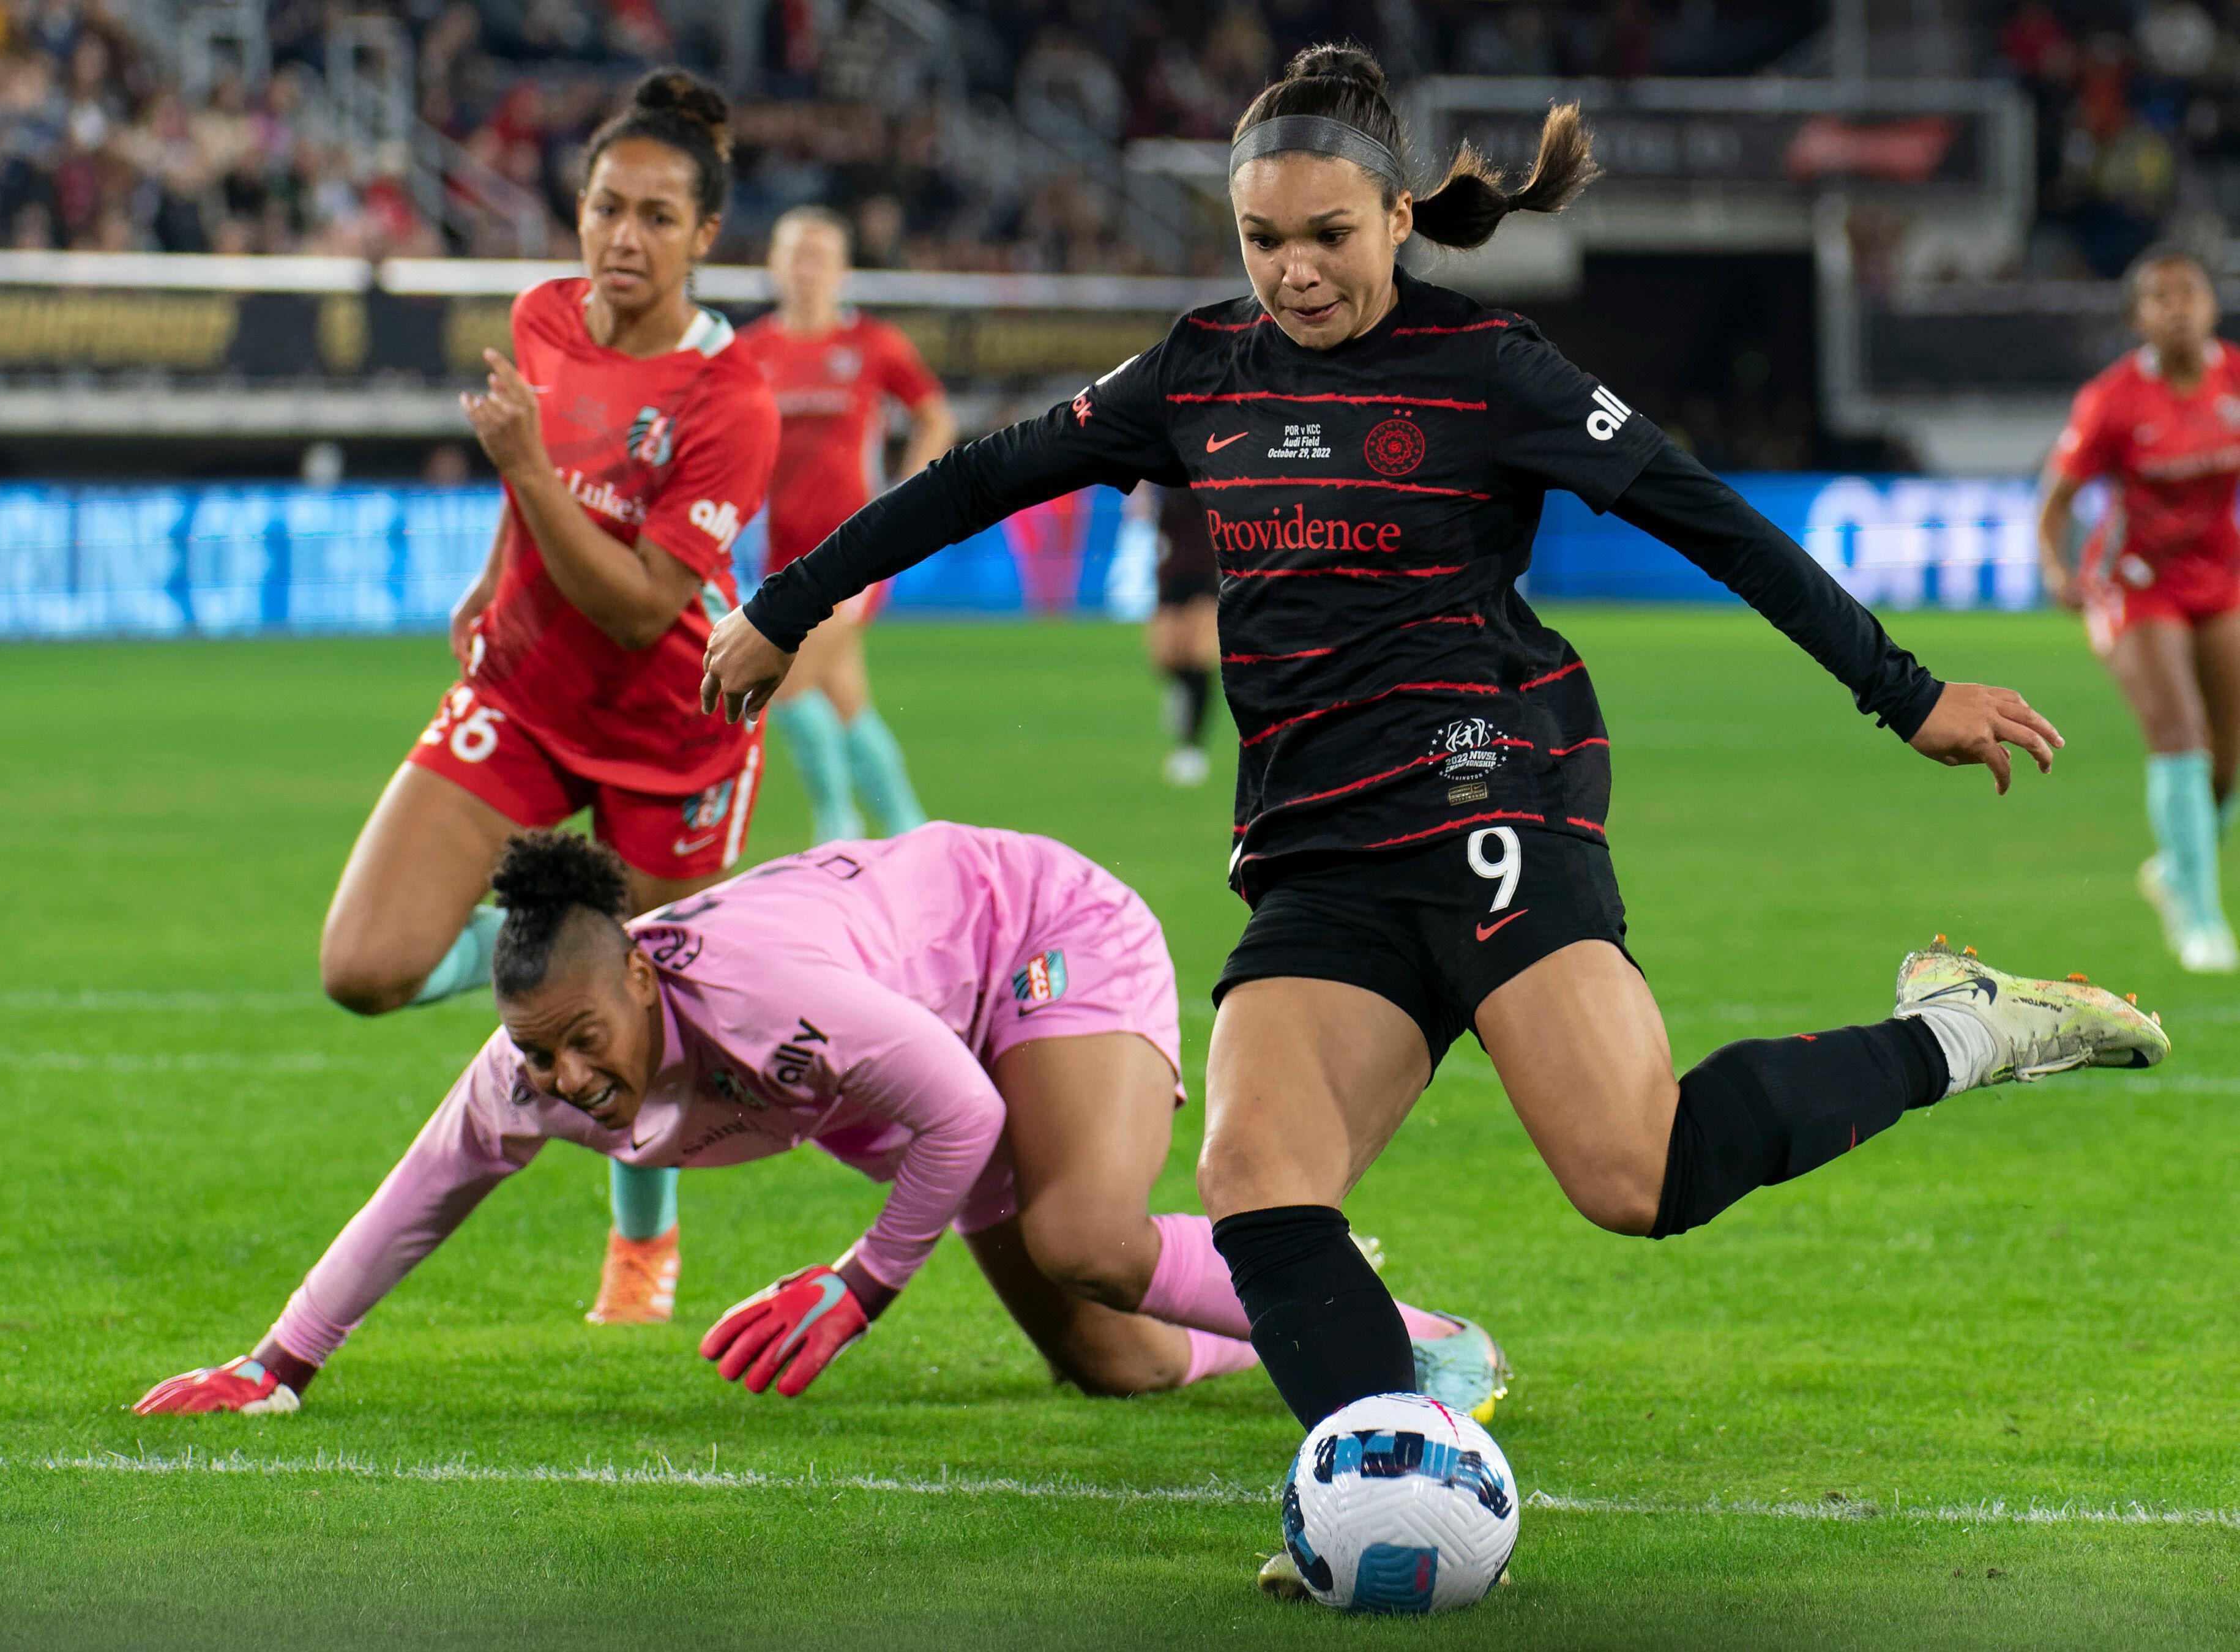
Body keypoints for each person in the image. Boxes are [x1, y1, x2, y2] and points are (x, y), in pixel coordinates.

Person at [703, 43, 2169, 1491]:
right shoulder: (1198, 371)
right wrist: (785, 603)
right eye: (1263, 240)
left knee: (1631, 1176)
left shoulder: (1488, 370)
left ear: (1399, 219)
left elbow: (1703, 514)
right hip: (1314, 849)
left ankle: (1967, 1028)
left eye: (1329, 236)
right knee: (1259, 1187)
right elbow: (978, 474)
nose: (1295, 271)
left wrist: (1902, 692)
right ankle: (1378, 1477)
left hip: (1490, 795)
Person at [134, 826, 1506, 1417]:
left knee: (1085, 1229)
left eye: (578, 1046)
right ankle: (1302, 1288)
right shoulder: (535, 1059)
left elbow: (962, 1111)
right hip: (920, 1047)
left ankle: (1417, 1347)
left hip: (1038, 938)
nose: (562, 1082)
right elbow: (416, 1195)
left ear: (642, 972)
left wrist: (861, 1285)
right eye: (535, 1059)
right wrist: (280, 1364)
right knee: (1118, 1364)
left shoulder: (754, 987)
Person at [315, 70, 780, 1326]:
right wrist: (487, 572)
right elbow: (537, 481)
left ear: (705, 237)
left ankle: (644, 1247)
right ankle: (541, 941)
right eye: (604, 207)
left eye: (656, 217)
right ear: (577, 211)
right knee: (362, 966)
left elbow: (639, 603)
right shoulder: (540, 317)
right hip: (522, 693)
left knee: (643, 1019)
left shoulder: (729, 401)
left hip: (672, 728)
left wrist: (522, 467)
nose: (624, 238)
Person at [2036, 247, 2240, 972]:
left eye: (2189, 293)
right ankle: (2201, 918)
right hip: (2135, 580)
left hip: (2219, 576)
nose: (2178, 307)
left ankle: (2174, 866)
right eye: (2160, 297)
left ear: (2212, 305)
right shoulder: (2114, 399)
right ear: (2139, 318)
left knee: (2229, 757)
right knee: (2179, 731)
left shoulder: (2235, 378)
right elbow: (2055, 502)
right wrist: (2058, 569)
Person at [734, 206, 958, 844]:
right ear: (774, 266)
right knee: (842, 697)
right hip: (781, 556)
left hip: (860, 552)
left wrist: (910, 494)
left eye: (820, 258)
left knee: (779, 680)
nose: (807, 271)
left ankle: (837, 828)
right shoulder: (751, 353)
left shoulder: (873, 345)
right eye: (795, 256)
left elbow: (935, 418)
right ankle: (910, 830)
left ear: (842, 270)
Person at [1139, 482, 1222, 786]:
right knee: (1165, 658)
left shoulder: (1214, 480)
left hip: (1205, 573)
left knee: (1200, 658)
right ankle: (1181, 695)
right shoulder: (1163, 483)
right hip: (1172, 573)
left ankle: (1192, 749)